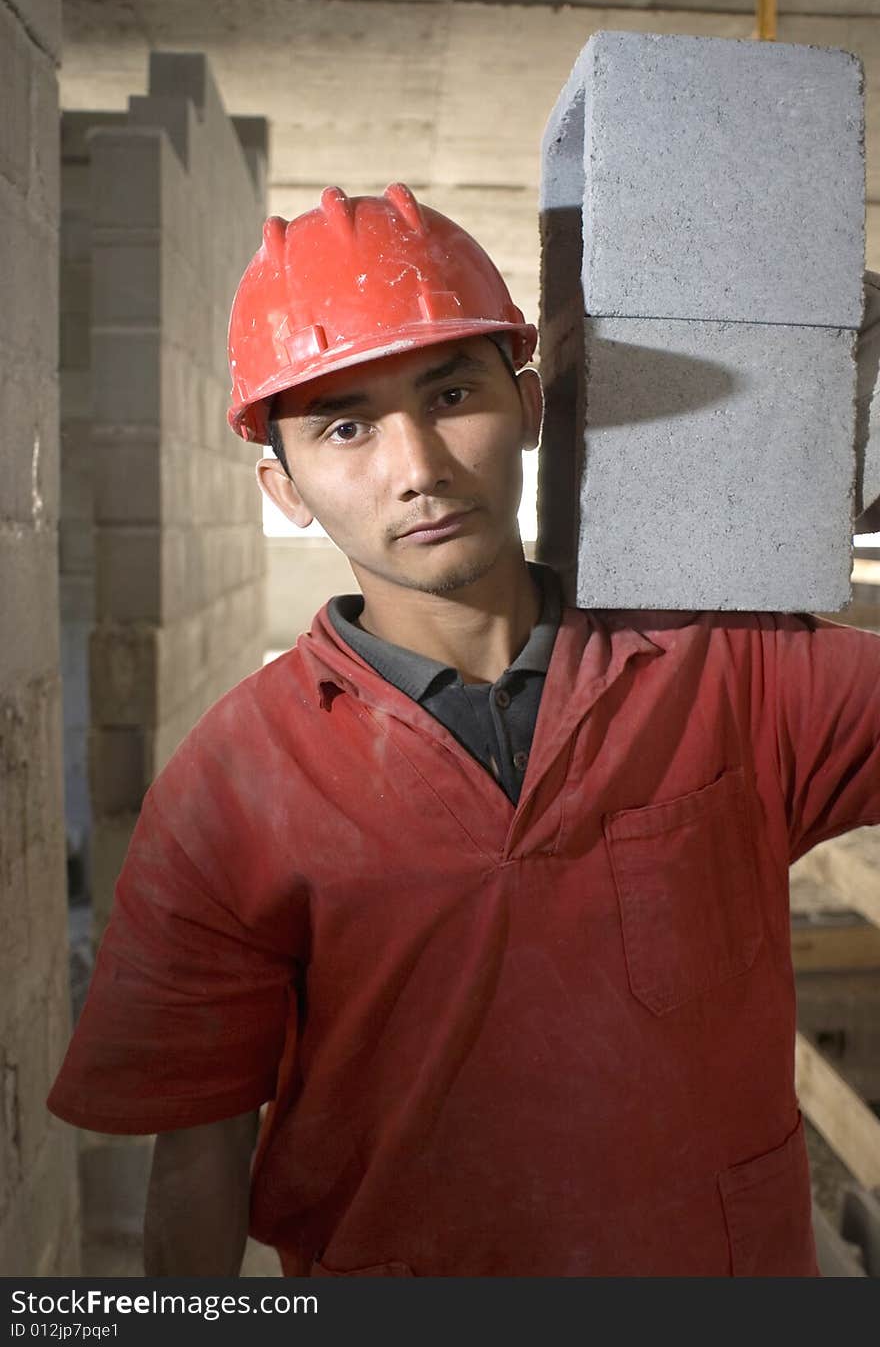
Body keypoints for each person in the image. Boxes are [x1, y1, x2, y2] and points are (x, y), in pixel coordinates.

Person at [48, 184, 880, 1278]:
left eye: (450, 393)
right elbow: (198, 1157)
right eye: (345, 425)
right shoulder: (230, 789)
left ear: (528, 405)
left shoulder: (728, 669)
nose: (419, 465)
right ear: (283, 485)